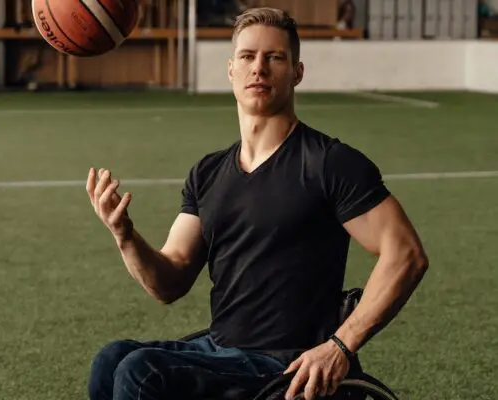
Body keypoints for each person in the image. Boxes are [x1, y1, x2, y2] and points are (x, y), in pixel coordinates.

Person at [85, 7, 429, 400]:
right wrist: (125, 235)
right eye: (248, 57)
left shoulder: (329, 163)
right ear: (231, 69)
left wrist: (340, 346)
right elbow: (169, 280)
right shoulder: (208, 173)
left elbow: (406, 254)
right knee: (111, 358)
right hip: (223, 351)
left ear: (297, 72)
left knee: (140, 372)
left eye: (275, 57)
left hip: (287, 362)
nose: (259, 68)